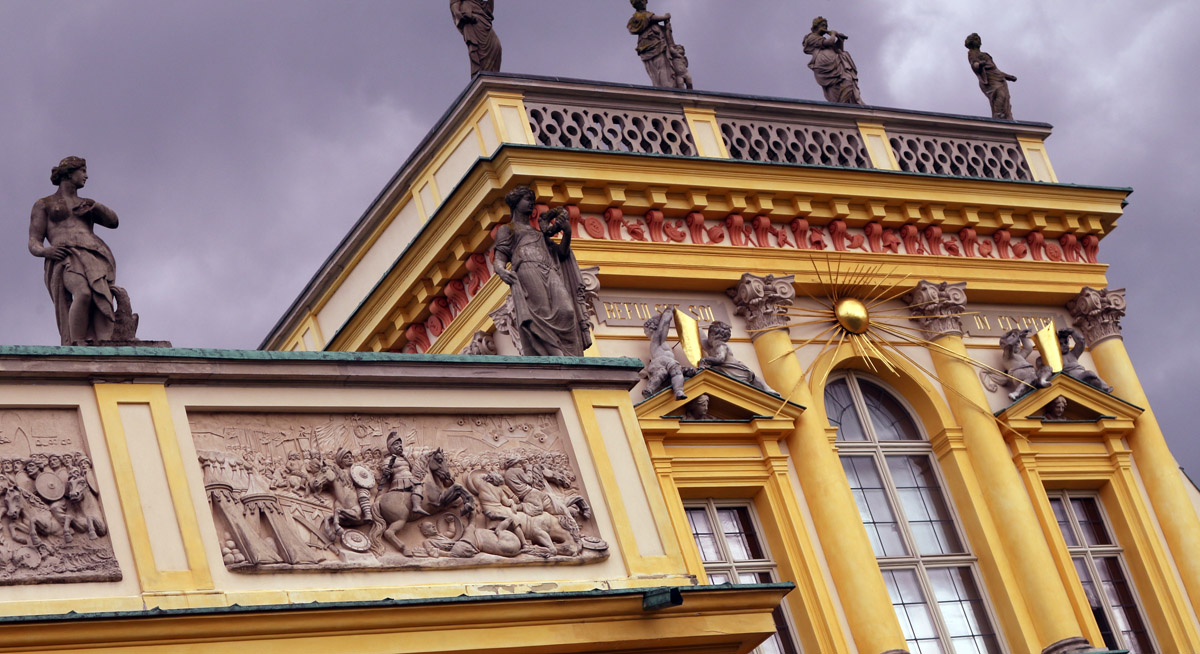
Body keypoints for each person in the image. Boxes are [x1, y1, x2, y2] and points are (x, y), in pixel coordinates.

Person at [28, 157, 121, 345]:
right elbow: (33, 241)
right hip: (65, 255)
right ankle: (76, 343)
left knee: (100, 297)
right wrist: (46, 251)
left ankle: (102, 341)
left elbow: (113, 222)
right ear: (69, 173)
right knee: (83, 292)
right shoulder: (45, 203)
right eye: (83, 171)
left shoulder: (86, 204)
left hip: (94, 253)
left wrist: (95, 206)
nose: (86, 176)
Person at [492, 187, 593, 356]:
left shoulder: (540, 233)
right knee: (542, 312)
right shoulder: (508, 229)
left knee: (567, 311)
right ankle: (554, 354)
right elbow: (500, 257)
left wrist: (567, 232)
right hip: (527, 269)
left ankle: (571, 354)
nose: (531, 203)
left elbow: (561, 253)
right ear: (516, 202)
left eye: (532, 199)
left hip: (549, 269)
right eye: (527, 199)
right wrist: (501, 270)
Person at [803, 17, 862, 105]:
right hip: (826, 68)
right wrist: (833, 34)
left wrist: (840, 40)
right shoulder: (811, 37)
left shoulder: (824, 38)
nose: (825, 27)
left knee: (848, 81)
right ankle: (841, 107)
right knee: (835, 91)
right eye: (823, 25)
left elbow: (839, 49)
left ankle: (844, 106)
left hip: (837, 65)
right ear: (816, 26)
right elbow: (829, 42)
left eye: (826, 26)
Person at [699, 321, 771, 392]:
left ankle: (768, 390)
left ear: (712, 335)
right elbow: (703, 340)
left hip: (735, 369)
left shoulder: (720, 346)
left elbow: (720, 359)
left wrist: (705, 360)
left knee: (747, 386)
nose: (708, 339)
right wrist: (697, 326)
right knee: (751, 382)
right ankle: (767, 389)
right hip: (732, 370)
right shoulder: (712, 348)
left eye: (709, 335)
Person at [627, 0, 679, 88]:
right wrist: (665, 17)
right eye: (640, 1)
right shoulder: (639, 18)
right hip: (653, 45)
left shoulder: (644, 18)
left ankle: (664, 86)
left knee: (659, 68)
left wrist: (665, 27)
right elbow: (650, 18)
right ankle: (665, 86)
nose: (643, 3)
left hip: (652, 44)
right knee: (658, 68)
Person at [965, 33, 1017, 120]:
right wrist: (979, 64)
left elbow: (995, 69)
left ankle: (1004, 118)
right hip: (989, 80)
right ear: (971, 42)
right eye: (976, 39)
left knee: (1004, 98)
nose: (978, 41)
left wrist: (1008, 76)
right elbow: (974, 65)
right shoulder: (972, 53)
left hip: (998, 78)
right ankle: (999, 118)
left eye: (979, 39)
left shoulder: (985, 54)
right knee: (1000, 96)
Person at [450, 0, 501, 76]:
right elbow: (454, 3)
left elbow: (488, 10)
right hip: (471, 19)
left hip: (483, 20)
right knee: (477, 48)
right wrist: (458, 13)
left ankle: (490, 75)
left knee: (496, 46)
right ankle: (480, 73)